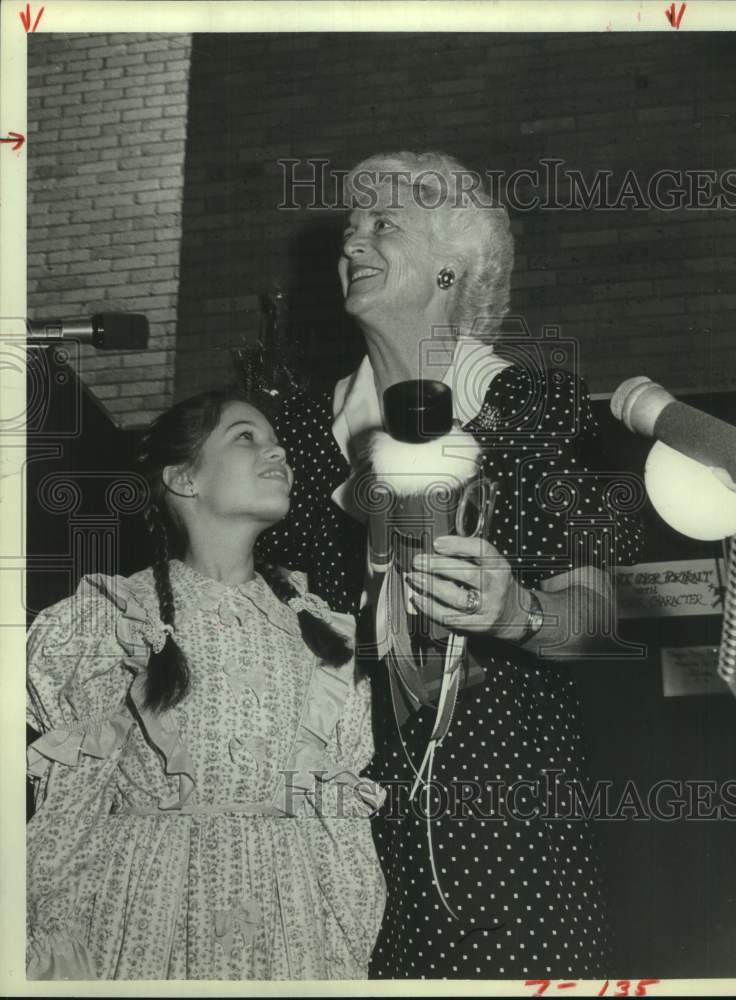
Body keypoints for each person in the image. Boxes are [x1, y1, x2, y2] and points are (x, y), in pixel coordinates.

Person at [259, 150, 644, 979]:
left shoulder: (531, 410)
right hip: (327, 825)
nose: (352, 242)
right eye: (350, 227)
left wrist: (517, 614)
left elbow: (593, 611)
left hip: (500, 823)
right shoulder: (293, 438)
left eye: (383, 223)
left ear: (451, 266)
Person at [26, 390, 386, 980]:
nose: (279, 452)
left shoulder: (318, 630)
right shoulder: (118, 620)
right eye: (246, 436)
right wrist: (51, 944)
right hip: (147, 912)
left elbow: (338, 819)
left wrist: (344, 948)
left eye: (278, 441)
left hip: (288, 927)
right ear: (183, 479)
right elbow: (73, 804)